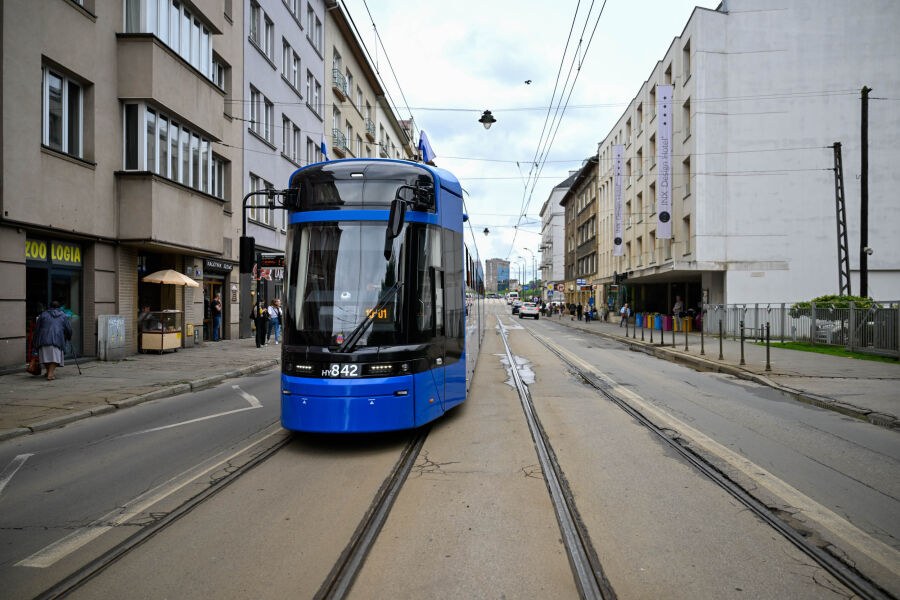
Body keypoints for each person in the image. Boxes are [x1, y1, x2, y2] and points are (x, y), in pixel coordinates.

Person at [33, 301, 72, 381]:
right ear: (59, 307)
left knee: (45, 357)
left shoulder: (43, 314)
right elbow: (68, 328)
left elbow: (37, 328)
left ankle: (48, 372)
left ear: (49, 307)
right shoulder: (63, 316)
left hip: (43, 339)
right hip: (57, 340)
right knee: (55, 358)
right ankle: (50, 374)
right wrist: (69, 336)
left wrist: (35, 339)